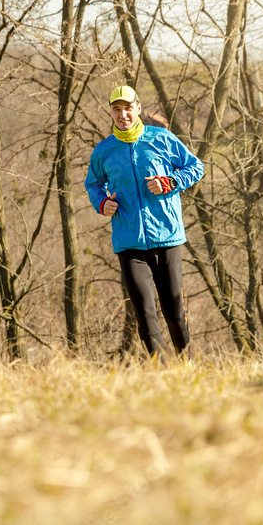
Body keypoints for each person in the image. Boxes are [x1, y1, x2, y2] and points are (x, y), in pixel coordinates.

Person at [84, 85, 205, 361]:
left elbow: (195, 167)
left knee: (174, 312)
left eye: (128, 108)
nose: (123, 114)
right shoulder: (104, 151)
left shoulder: (161, 139)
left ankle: (189, 370)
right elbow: (93, 184)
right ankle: (159, 377)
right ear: (112, 113)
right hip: (129, 242)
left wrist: (171, 181)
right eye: (117, 110)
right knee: (145, 317)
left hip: (167, 237)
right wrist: (102, 202)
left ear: (138, 108)